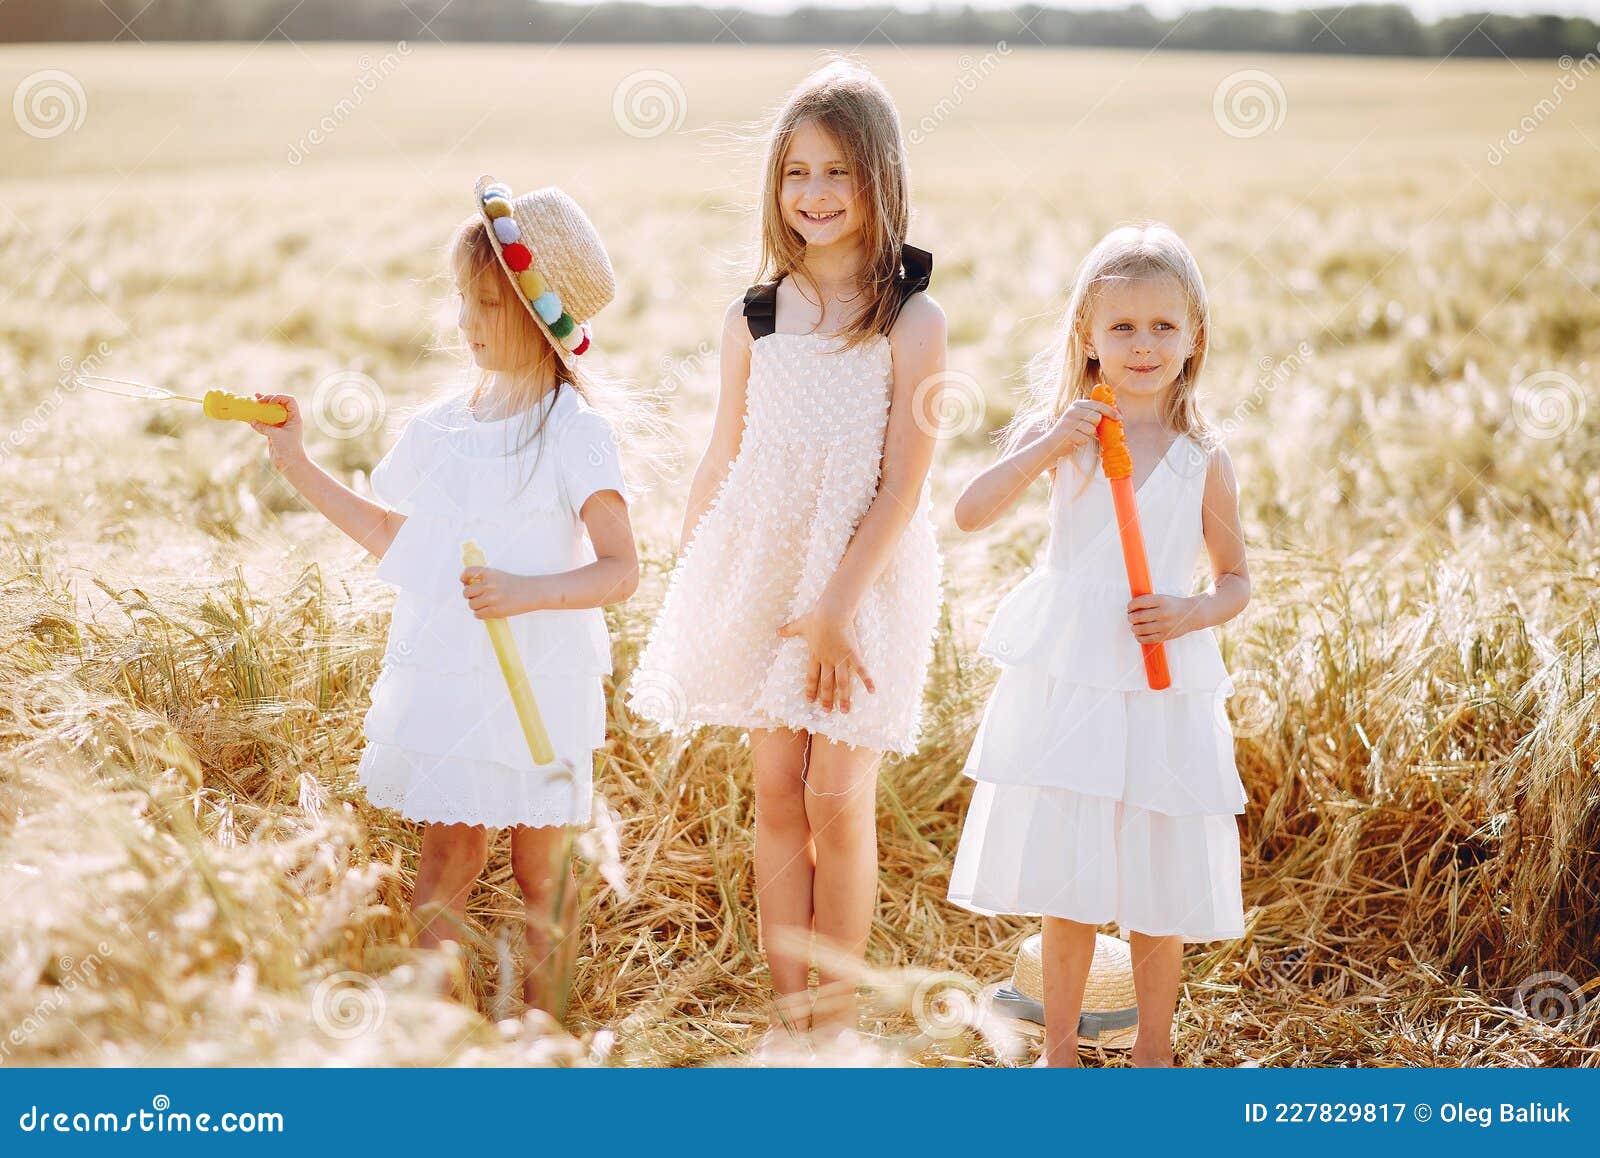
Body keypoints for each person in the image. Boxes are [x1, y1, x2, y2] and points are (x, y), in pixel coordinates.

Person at [250, 175, 642, 1020]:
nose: (463, 322)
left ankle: (546, 1040)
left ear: (539, 315)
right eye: (462, 301)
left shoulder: (574, 433)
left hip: (540, 675)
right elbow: (398, 540)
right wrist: (297, 463)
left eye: (485, 305)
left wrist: (526, 590)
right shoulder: (440, 428)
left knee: (543, 871)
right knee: (449, 858)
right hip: (452, 676)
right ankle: (431, 1041)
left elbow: (620, 569)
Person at [947, 222, 1251, 1067]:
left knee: (1158, 870)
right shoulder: (1068, 440)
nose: (1143, 343)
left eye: (1163, 326)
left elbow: (1237, 580)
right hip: (1075, 674)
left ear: (1194, 339)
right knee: (1070, 874)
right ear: (1086, 335)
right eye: (1121, 326)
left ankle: (1154, 1048)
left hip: (1160, 680)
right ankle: (1060, 1053)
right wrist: (1049, 443)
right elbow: (970, 511)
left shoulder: (1201, 459)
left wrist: (1190, 612)